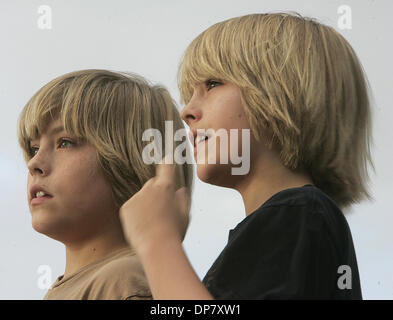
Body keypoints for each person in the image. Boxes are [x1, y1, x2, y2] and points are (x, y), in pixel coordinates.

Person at [119, 12, 374, 299]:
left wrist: (157, 241)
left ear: (283, 91)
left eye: (212, 84)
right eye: (188, 94)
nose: (186, 112)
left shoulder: (297, 212)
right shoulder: (295, 217)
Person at [17, 69, 193, 299]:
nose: (34, 164)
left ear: (129, 161)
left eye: (65, 143)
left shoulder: (123, 282)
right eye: (34, 148)